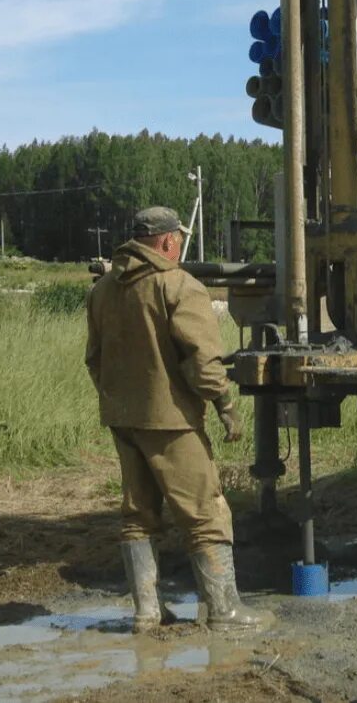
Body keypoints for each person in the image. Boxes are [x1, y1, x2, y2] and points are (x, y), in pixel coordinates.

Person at [85, 206, 264, 633]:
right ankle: (224, 611)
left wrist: (121, 400)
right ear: (167, 242)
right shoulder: (180, 285)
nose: (180, 247)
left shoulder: (103, 289)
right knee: (206, 512)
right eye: (179, 240)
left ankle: (147, 612)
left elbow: (94, 360)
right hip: (172, 422)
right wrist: (225, 405)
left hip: (122, 418)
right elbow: (203, 361)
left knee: (136, 515)